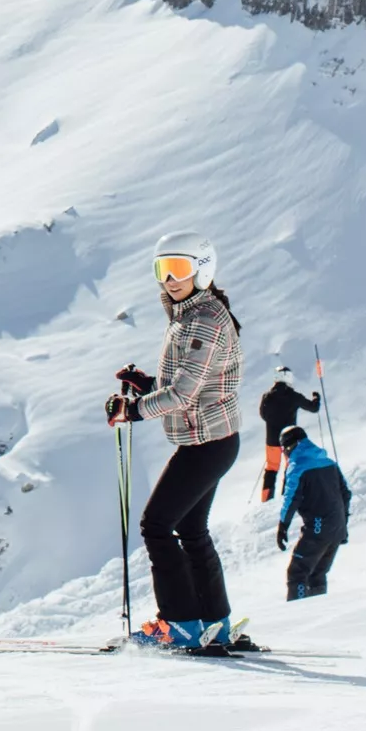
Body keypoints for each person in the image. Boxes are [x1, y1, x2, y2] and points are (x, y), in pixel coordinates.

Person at [105, 232, 243, 650]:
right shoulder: (189, 314)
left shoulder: (203, 321)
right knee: (190, 527)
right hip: (211, 440)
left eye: (180, 269)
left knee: (156, 525)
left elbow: (183, 394)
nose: (170, 279)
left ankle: (179, 625)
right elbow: (190, 382)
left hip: (207, 444)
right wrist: (145, 384)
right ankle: (214, 622)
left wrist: (133, 410)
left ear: (203, 269)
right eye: (162, 270)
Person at [277, 424, 350, 600]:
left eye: (282, 450)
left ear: (289, 446)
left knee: (297, 573)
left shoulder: (298, 466)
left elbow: (291, 498)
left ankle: (299, 614)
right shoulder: (329, 462)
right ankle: (317, 612)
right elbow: (345, 494)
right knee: (316, 574)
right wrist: (342, 523)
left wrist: (283, 526)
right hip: (337, 528)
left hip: (319, 528)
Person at [258, 367, 321, 502]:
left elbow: (263, 414)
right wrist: (316, 398)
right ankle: (286, 497)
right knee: (290, 467)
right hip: (290, 440)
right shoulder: (294, 396)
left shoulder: (267, 396)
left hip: (272, 439)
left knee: (271, 468)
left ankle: (266, 500)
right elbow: (314, 408)